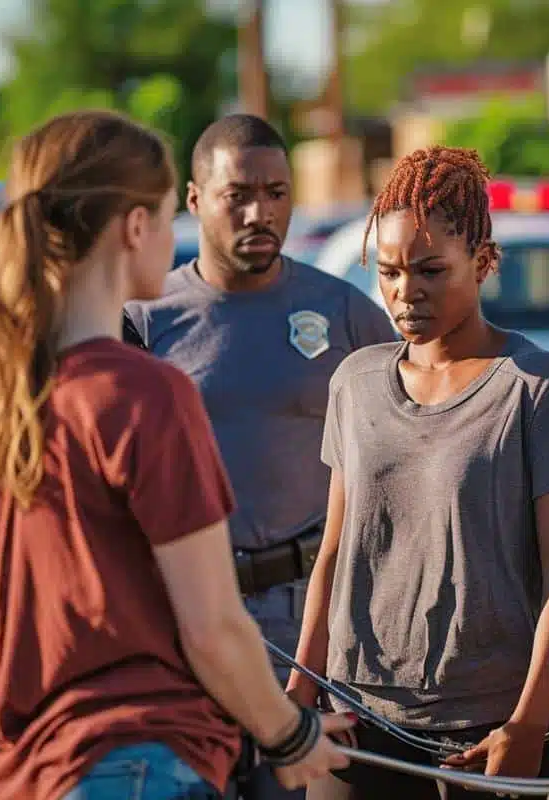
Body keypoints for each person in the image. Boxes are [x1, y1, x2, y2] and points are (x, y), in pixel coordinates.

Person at [0, 108, 353, 800]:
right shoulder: (147, 393)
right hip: (138, 763)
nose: (171, 240)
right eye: (165, 218)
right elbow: (213, 628)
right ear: (133, 227)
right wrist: (289, 733)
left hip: (13, 768)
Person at [285, 145, 549, 800]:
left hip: (483, 726)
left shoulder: (537, 389)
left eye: (431, 270)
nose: (406, 292)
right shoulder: (355, 382)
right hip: (355, 715)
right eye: (390, 272)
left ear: (483, 263)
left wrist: (530, 722)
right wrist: (302, 687)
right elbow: (337, 551)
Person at [122, 113, 394, 800]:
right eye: (237, 194)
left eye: (276, 192)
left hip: (307, 626)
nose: (259, 212)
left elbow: (399, 460)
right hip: (181, 617)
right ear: (194, 201)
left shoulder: (344, 313)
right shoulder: (145, 319)